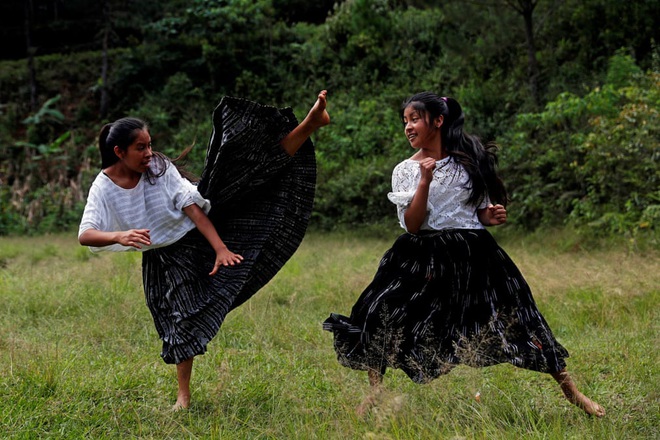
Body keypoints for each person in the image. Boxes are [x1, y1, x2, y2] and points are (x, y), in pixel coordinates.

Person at [323, 91, 605, 417]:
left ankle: (571, 391)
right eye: (405, 121)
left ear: (438, 121)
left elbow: (473, 213)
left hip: (475, 254)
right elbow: (413, 225)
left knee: (522, 318)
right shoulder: (405, 170)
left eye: (415, 119)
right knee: (379, 312)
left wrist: (490, 216)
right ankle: (375, 393)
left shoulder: (467, 163)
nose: (408, 127)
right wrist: (425, 181)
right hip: (422, 254)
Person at [79, 90, 330, 410]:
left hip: (195, 234)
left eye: (150, 144)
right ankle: (183, 391)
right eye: (140, 147)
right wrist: (119, 235)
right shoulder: (103, 186)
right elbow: (86, 235)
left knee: (248, 175)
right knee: (170, 322)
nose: (149, 152)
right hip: (158, 257)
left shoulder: (157, 166)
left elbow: (192, 209)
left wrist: (221, 248)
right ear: (119, 151)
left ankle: (310, 123)